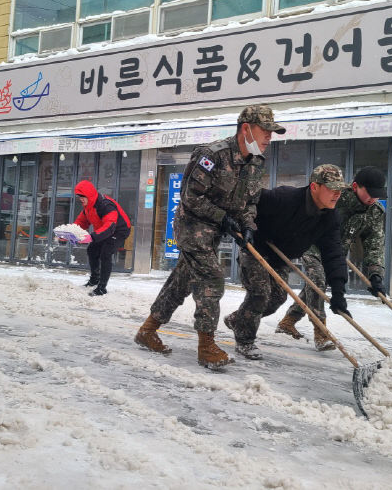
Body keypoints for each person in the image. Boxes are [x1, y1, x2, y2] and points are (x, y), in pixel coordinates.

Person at [134, 105, 285, 369]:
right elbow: (190, 197)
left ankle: (147, 330)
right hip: (191, 226)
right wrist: (222, 217)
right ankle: (207, 346)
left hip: (214, 230)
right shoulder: (212, 155)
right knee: (211, 278)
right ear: (246, 128)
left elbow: (249, 203)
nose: (269, 137)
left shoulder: (255, 163)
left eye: (272, 132)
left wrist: (247, 225)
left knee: (181, 280)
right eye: (265, 131)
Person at [223, 164, 350, 360]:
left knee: (277, 299)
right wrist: (242, 226)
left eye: (340, 189)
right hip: (256, 247)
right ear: (314, 187)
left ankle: (239, 319)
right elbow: (249, 201)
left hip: (279, 255)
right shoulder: (285, 198)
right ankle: (245, 341)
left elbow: (333, 253)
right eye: (332, 188)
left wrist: (339, 291)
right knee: (260, 294)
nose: (337, 194)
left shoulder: (330, 217)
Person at [276, 166, 387, 350]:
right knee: (317, 280)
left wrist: (375, 275)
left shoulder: (374, 211)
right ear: (355, 186)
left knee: (314, 286)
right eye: (369, 193)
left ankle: (288, 321)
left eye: (377, 195)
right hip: (311, 242)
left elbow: (374, 243)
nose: (373, 199)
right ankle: (321, 332)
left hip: (334, 251)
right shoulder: (336, 196)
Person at [72, 180, 131, 297]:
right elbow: (81, 222)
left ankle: (102, 288)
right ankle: (94, 280)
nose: (80, 199)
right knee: (92, 250)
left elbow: (109, 226)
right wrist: (71, 232)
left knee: (106, 253)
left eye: (83, 196)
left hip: (119, 230)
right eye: (79, 196)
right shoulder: (88, 207)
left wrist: (92, 237)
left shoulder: (105, 205)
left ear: (89, 195)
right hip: (103, 230)